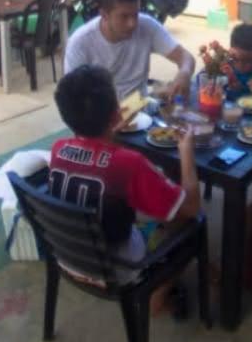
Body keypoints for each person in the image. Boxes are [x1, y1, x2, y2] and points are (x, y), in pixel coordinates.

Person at [48, 65, 201, 275]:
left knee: (142, 207)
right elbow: (191, 207)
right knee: (185, 219)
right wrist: (186, 152)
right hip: (114, 268)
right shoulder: (129, 164)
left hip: (68, 257)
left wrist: (112, 131)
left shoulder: (58, 148)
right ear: (116, 114)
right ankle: (157, 295)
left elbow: (99, 162)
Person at [63, 0, 196, 99]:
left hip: (141, 112)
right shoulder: (80, 42)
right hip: (101, 116)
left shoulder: (147, 26)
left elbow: (186, 58)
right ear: (104, 15)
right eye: (124, 16)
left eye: (135, 14)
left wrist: (184, 73)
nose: (132, 23)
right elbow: (72, 97)